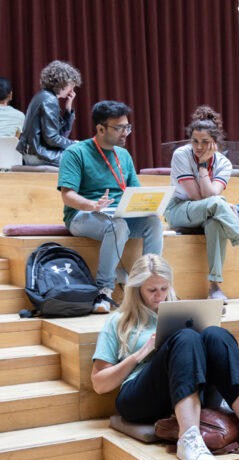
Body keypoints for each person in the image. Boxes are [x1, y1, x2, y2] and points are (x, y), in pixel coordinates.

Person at [91, 254, 239, 460]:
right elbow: (99, 383)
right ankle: (189, 438)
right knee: (186, 337)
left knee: (217, 334)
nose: (159, 296)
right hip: (139, 399)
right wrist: (140, 354)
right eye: (152, 290)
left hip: (192, 391)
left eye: (164, 288)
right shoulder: (118, 321)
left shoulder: (182, 311)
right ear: (136, 290)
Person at [57, 100, 163, 313]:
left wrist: (152, 204)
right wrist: (92, 205)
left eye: (127, 127)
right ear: (100, 128)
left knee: (153, 222)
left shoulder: (123, 155)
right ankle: (103, 291)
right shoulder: (76, 152)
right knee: (118, 226)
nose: (125, 133)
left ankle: (151, 285)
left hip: (118, 214)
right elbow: (68, 196)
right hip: (83, 215)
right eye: (119, 128)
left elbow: (134, 192)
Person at [167, 106, 239, 301]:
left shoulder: (223, 163)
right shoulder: (181, 154)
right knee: (219, 203)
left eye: (205, 142)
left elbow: (211, 196)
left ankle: (214, 287)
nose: (198, 147)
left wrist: (203, 165)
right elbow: (196, 197)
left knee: (215, 221)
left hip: (208, 212)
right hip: (179, 210)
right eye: (194, 141)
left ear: (215, 142)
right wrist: (220, 202)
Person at [17, 60, 81, 166]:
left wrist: (68, 109)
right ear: (63, 83)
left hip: (33, 153)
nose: (72, 90)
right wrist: (74, 144)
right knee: (83, 157)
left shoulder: (43, 96)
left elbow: (62, 135)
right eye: (71, 85)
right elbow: (52, 139)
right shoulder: (49, 100)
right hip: (39, 154)